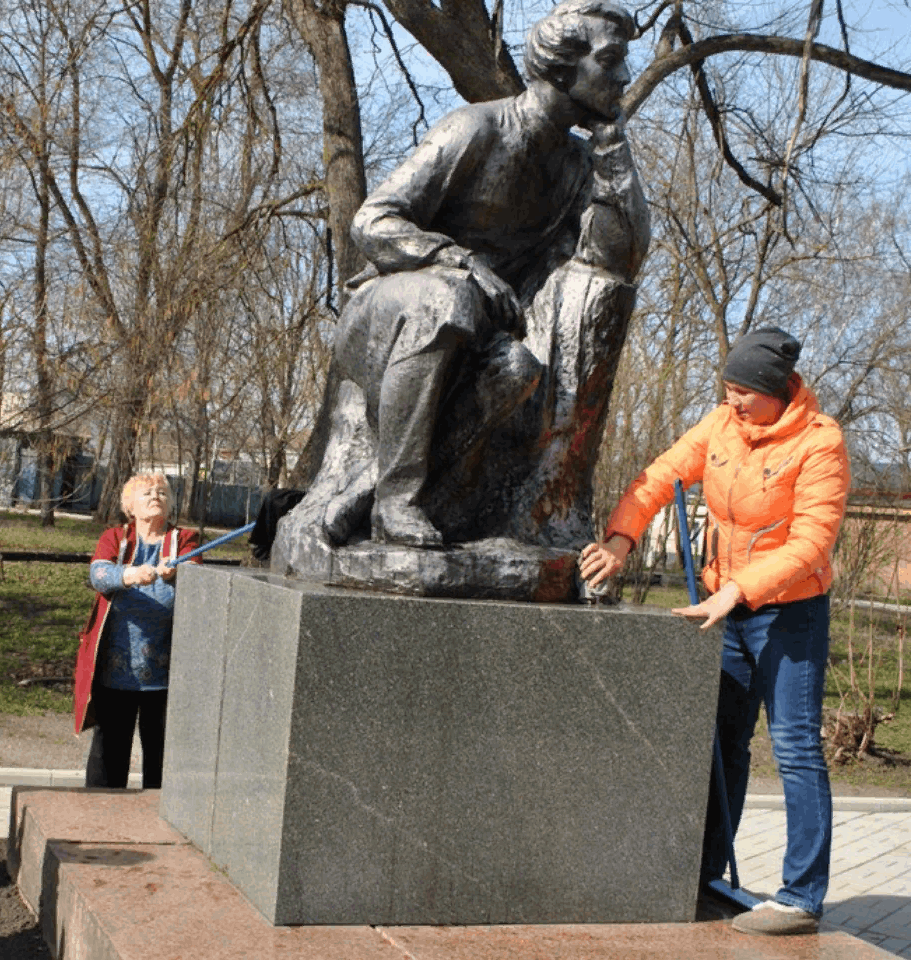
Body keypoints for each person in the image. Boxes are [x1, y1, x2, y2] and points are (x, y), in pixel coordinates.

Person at [330, 0, 647, 547]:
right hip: (387, 314)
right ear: (562, 64)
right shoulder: (477, 128)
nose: (623, 76)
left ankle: (395, 493)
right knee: (444, 298)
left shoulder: (577, 165)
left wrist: (613, 146)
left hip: (476, 333)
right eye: (611, 59)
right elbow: (373, 221)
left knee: (519, 369)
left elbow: (619, 256)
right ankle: (394, 500)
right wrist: (461, 262)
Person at [580, 327, 849, 936]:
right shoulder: (722, 427)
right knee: (724, 740)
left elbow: (811, 543)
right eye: (726, 389)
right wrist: (622, 537)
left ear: (775, 392)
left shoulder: (820, 443)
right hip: (726, 608)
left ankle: (802, 896)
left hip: (789, 613)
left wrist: (737, 590)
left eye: (742, 393)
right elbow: (659, 476)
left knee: (796, 749)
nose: (731, 402)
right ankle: (702, 872)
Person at [73, 473, 200, 789]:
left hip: (167, 672)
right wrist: (129, 575)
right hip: (116, 668)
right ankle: (102, 811)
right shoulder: (115, 536)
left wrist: (177, 574)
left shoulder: (184, 540)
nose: (156, 496)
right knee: (110, 750)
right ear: (129, 505)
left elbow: (199, 580)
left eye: (162, 492)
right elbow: (99, 574)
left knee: (163, 752)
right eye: (146, 492)